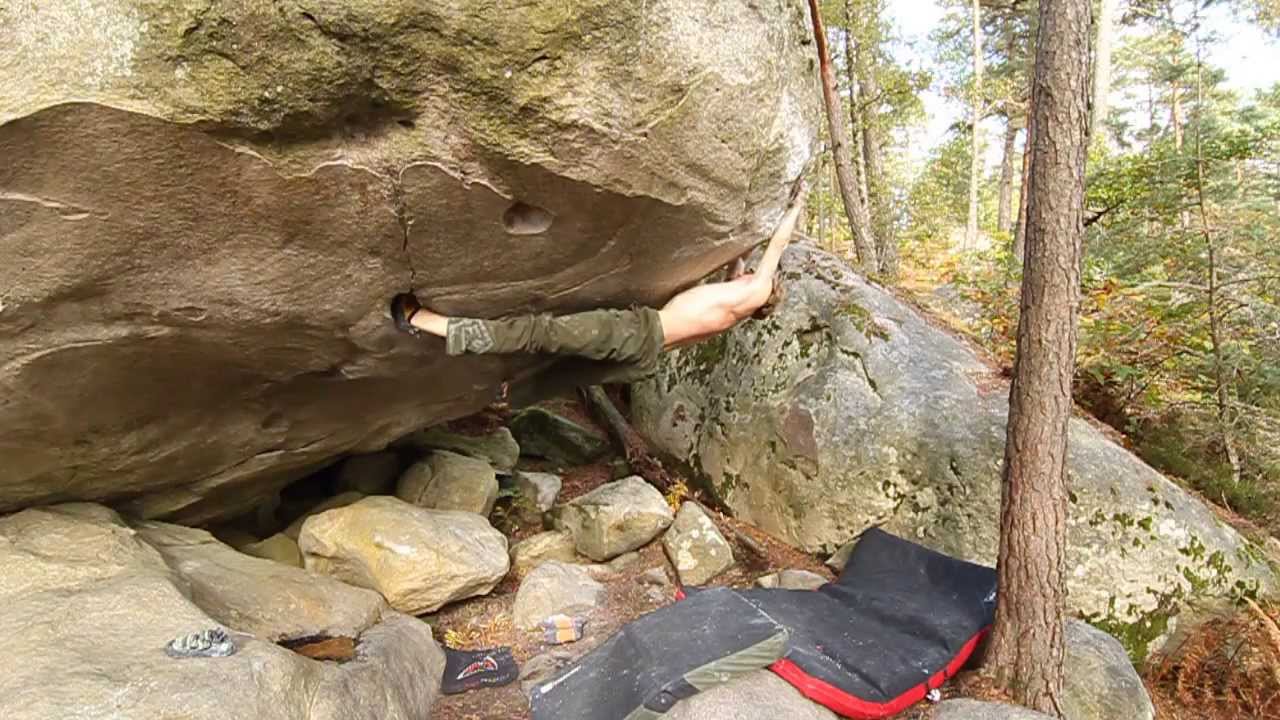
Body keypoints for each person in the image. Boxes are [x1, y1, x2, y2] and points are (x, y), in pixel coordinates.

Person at [390, 187, 804, 390]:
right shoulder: (730, 311)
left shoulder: (754, 293)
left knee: (536, 332)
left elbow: (774, 252)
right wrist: (742, 251)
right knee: (554, 364)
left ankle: (422, 320)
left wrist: (796, 204)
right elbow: (738, 267)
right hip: (644, 351)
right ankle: (506, 396)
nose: (749, 275)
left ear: (763, 295)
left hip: (637, 333)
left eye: (757, 278)